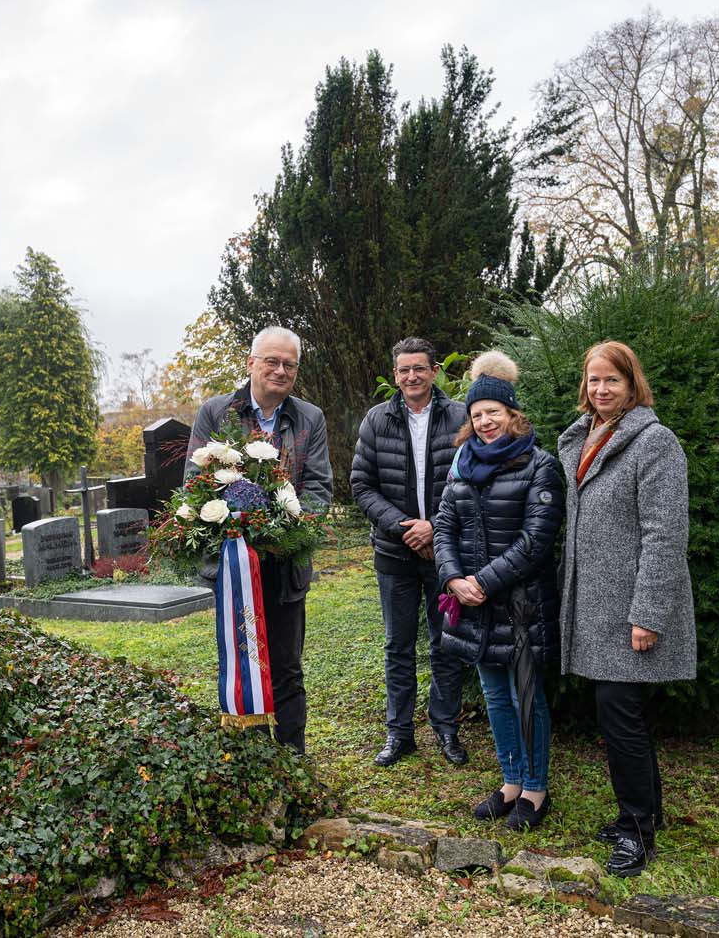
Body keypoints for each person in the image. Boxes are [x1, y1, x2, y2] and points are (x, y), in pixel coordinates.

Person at [557, 340, 696, 877]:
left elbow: (665, 534)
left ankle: (636, 830)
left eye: (611, 380)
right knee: (620, 715)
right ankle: (646, 815)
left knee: (621, 718)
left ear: (632, 383)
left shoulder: (654, 443)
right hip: (594, 606)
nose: (601, 389)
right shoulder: (589, 436)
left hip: (629, 609)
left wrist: (648, 614)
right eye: (593, 380)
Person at [185, 326, 333, 754]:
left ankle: (294, 761)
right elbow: (195, 482)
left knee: (286, 667)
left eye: (289, 364)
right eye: (271, 361)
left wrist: (282, 533)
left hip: (286, 566)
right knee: (238, 664)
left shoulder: (310, 418)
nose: (280, 370)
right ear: (251, 363)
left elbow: (320, 490)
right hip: (232, 566)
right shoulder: (216, 413)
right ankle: (247, 763)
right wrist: (237, 531)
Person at [433, 352, 564, 831]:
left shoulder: (539, 466)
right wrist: (452, 578)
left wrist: (483, 583)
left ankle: (535, 788)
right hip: (473, 603)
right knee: (494, 695)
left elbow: (536, 539)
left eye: (494, 412)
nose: (486, 421)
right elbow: (444, 525)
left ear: (512, 414)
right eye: (477, 414)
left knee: (524, 693)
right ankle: (510, 782)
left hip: (519, 605)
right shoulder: (462, 466)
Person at [351, 337, 468, 768]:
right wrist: (404, 527)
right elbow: (361, 485)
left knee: (447, 643)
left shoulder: (460, 417)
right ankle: (399, 733)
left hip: (446, 553)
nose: (412, 377)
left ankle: (446, 728)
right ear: (395, 375)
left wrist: (435, 527)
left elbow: (471, 482)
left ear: (435, 371)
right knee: (398, 645)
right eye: (404, 370)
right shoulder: (376, 420)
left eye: (420, 368)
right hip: (395, 552)